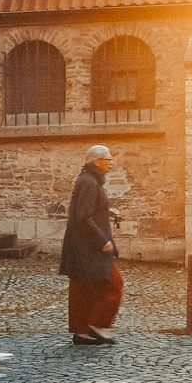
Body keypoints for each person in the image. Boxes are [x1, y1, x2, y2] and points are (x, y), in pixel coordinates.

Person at [58, 143, 123, 345]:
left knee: (83, 288)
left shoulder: (88, 180)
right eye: (108, 159)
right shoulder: (90, 183)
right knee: (113, 284)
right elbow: (83, 216)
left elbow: (86, 209)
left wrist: (106, 212)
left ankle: (81, 331)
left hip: (82, 246)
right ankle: (96, 326)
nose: (111, 163)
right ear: (97, 161)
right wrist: (103, 241)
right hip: (89, 247)